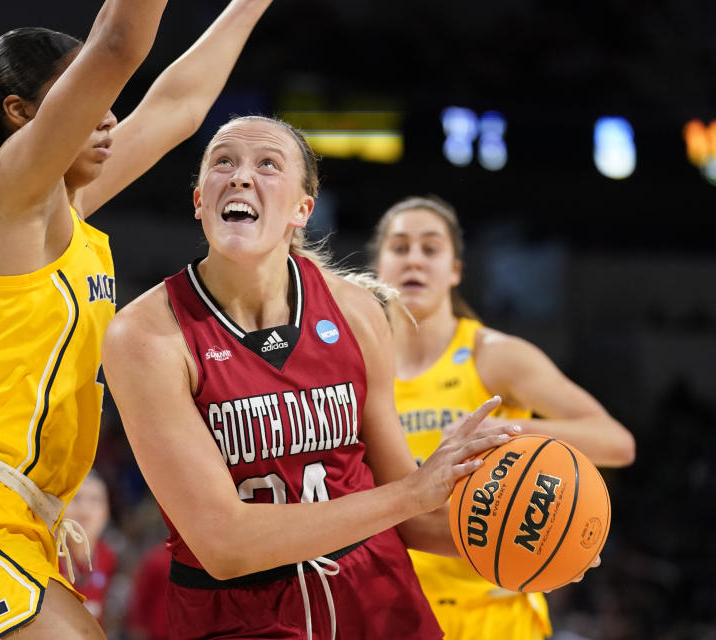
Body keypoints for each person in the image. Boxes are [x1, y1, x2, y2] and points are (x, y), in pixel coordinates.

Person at [0, 0, 276, 636]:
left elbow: (177, 107)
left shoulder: (64, 208)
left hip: (17, 518)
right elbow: (119, 43)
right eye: (85, 94)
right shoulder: (8, 194)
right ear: (23, 114)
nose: (110, 116)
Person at [100, 115, 526, 640]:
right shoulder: (144, 336)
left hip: (378, 592)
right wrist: (413, 493)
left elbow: (411, 513)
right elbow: (225, 545)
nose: (239, 176)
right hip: (240, 615)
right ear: (198, 201)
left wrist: (534, 549)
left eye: (267, 165)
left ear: (302, 210)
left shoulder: (357, 311)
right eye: (223, 162)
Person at [368, 195, 636, 640]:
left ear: (455, 270)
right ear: (378, 266)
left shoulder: (493, 356)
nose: (414, 259)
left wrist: (512, 430)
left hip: (495, 617)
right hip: (395, 610)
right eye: (399, 247)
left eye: (430, 248)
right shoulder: (359, 367)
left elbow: (617, 441)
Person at [59, 471, 117, 627]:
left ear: (107, 512)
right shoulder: (44, 554)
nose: (85, 512)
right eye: (76, 499)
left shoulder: (109, 557)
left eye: (95, 501)